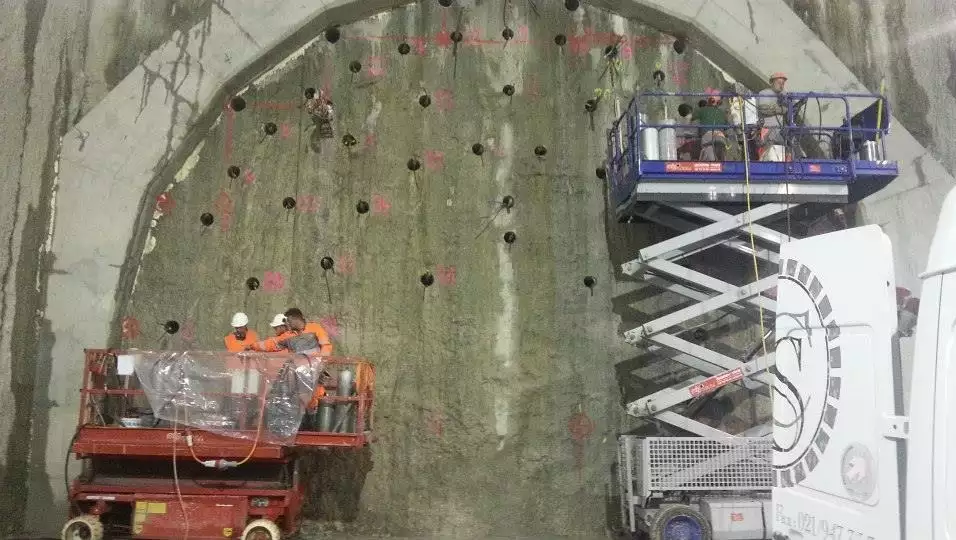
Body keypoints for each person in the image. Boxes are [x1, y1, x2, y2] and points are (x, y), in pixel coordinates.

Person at [756, 72, 796, 161]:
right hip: (767, 130)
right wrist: (782, 109)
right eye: (779, 83)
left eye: (783, 83)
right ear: (772, 82)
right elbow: (764, 109)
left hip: (780, 131)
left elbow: (792, 109)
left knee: (791, 142)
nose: (781, 85)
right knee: (772, 150)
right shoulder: (765, 93)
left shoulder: (784, 95)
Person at [691, 95, 730, 161]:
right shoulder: (722, 112)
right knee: (722, 162)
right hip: (721, 137)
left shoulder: (702, 110)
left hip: (709, 136)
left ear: (708, 102)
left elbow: (690, 118)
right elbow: (727, 127)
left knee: (710, 162)